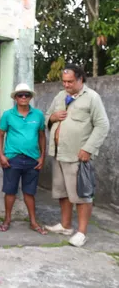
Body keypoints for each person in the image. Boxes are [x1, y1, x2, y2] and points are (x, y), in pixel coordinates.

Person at [44, 64, 109, 247]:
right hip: (58, 153)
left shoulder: (92, 98)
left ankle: (82, 232)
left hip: (78, 156)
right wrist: (53, 118)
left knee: (81, 195)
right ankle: (65, 226)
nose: (66, 85)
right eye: (64, 81)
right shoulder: (59, 96)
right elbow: (46, 117)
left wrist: (88, 149)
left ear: (80, 79)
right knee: (62, 193)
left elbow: (102, 125)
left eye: (70, 81)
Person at [0, 83, 47, 235]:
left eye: (26, 95)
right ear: (15, 98)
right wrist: (1, 155)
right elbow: (0, 135)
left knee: (29, 193)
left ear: (30, 97)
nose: (24, 97)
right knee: (10, 192)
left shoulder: (38, 115)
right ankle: (7, 220)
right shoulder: (8, 115)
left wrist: (42, 157)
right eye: (20, 95)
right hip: (13, 158)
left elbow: (42, 136)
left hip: (32, 159)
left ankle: (33, 222)